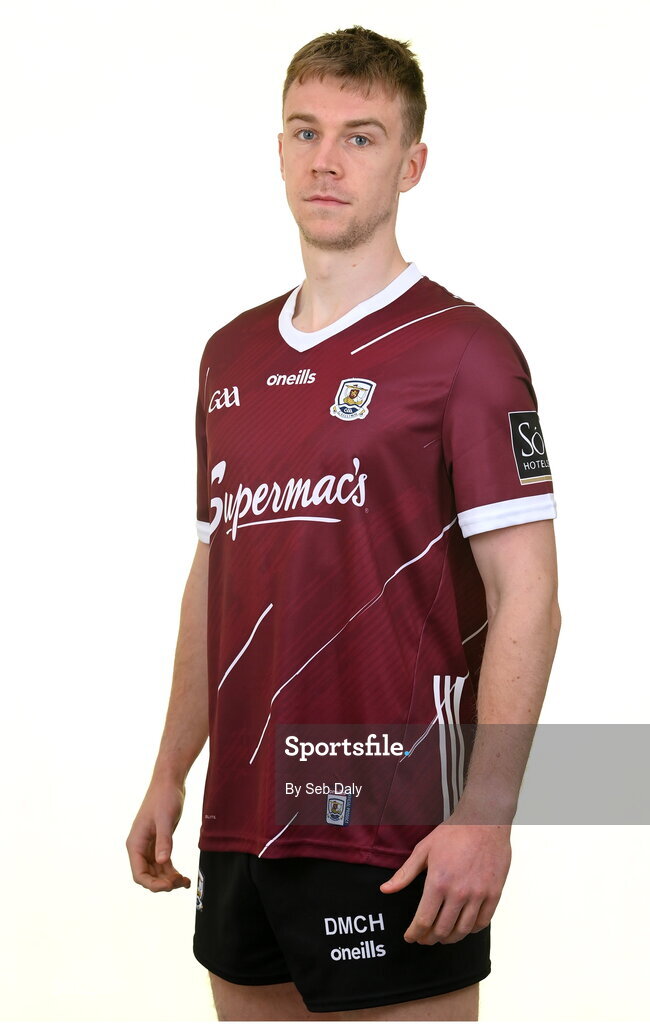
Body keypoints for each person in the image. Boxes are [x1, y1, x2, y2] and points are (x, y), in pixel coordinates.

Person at [126, 24, 561, 1022]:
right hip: (239, 820)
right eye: (304, 131)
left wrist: (486, 816)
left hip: (389, 821)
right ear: (278, 148)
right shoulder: (227, 357)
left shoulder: (465, 351)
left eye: (360, 137)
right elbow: (215, 573)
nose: (326, 159)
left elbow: (527, 595)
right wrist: (167, 769)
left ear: (410, 164)